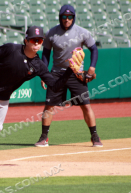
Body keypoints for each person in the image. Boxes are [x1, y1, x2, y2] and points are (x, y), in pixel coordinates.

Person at [0, 26, 74, 166]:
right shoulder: (12, 49)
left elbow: (55, 85)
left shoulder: (38, 65)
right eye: (34, 40)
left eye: (40, 40)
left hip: (3, 96)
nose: (37, 43)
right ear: (26, 40)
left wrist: (70, 71)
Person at [34, 4, 103, 148]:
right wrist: (43, 74)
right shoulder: (52, 33)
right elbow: (45, 54)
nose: (67, 19)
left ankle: (95, 136)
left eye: (70, 17)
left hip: (76, 73)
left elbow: (94, 49)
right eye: (64, 17)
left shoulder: (82, 32)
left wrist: (92, 67)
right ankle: (44, 137)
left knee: (86, 106)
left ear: (73, 17)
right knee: (49, 106)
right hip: (57, 74)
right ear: (60, 17)